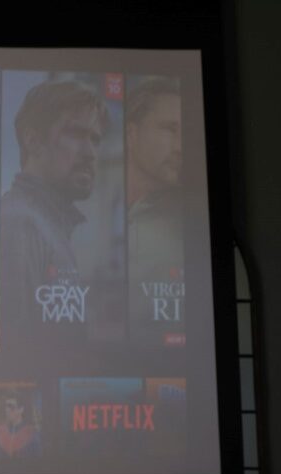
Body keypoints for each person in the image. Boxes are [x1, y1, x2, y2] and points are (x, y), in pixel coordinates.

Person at [0, 80, 107, 342]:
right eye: (75, 134)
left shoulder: (47, 223)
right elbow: (17, 352)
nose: (90, 152)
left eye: (95, 139)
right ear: (34, 141)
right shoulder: (22, 223)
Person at [125, 77, 184, 343]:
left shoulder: (189, 226)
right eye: (170, 130)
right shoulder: (79, 212)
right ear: (131, 134)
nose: (180, 147)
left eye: (185, 133)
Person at [0, 393, 40, 459]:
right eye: (6, 407)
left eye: (11, 407)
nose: (7, 410)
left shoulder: (32, 435)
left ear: (21, 409)